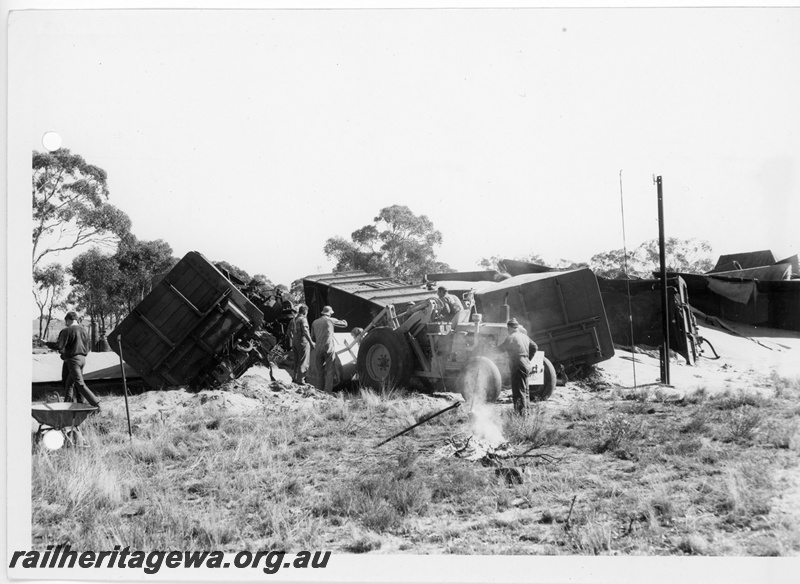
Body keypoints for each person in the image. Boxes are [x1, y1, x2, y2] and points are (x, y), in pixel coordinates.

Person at [57, 311, 101, 409]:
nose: (66, 324)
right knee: (69, 384)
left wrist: (47, 343)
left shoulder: (66, 331)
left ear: (68, 320)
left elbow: (59, 346)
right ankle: (67, 406)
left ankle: (96, 404)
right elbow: (88, 347)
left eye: (66, 321)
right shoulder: (84, 331)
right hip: (82, 359)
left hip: (73, 361)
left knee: (79, 384)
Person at [497, 318, 538, 415]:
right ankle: (526, 414)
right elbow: (535, 347)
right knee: (525, 390)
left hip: (518, 364)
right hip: (526, 363)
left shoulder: (511, 337)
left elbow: (501, 349)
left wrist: (490, 348)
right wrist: (528, 358)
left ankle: (520, 416)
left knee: (518, 391)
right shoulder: (524, 336)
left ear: (509, 328)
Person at [310, 306, 348, 392]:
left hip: (318, 349)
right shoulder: (331, 320)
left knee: (320, 371)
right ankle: (327, 391)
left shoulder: (314, 322)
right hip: (328, 348)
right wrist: (344, 320)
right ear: (329, 313)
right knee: (330, 370)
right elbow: (345, 324)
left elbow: (312, 338)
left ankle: (319, 389)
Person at [290, 305, 315, 385]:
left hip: (294, 340)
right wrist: (311, 342)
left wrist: (293, 338)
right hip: (302, 340)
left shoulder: (293, 319)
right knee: (303, 360)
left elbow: (288, 332)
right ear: (305, 312)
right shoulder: (303, 319)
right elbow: (305, 331)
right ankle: (301, 380)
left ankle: (294, 378)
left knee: (296, 360)